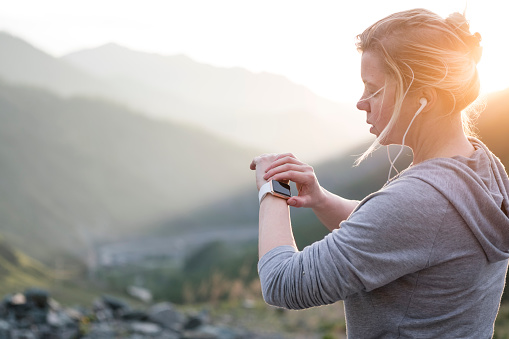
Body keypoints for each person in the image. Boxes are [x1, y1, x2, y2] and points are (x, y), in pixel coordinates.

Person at [250, 8, 509, 338]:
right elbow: (408, 236)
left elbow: (283, 284)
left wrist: (270, 190)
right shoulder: (480, 166)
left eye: (373, 89)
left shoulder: (422, 200)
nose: (361, 102)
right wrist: (321, 199)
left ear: (423, 100)